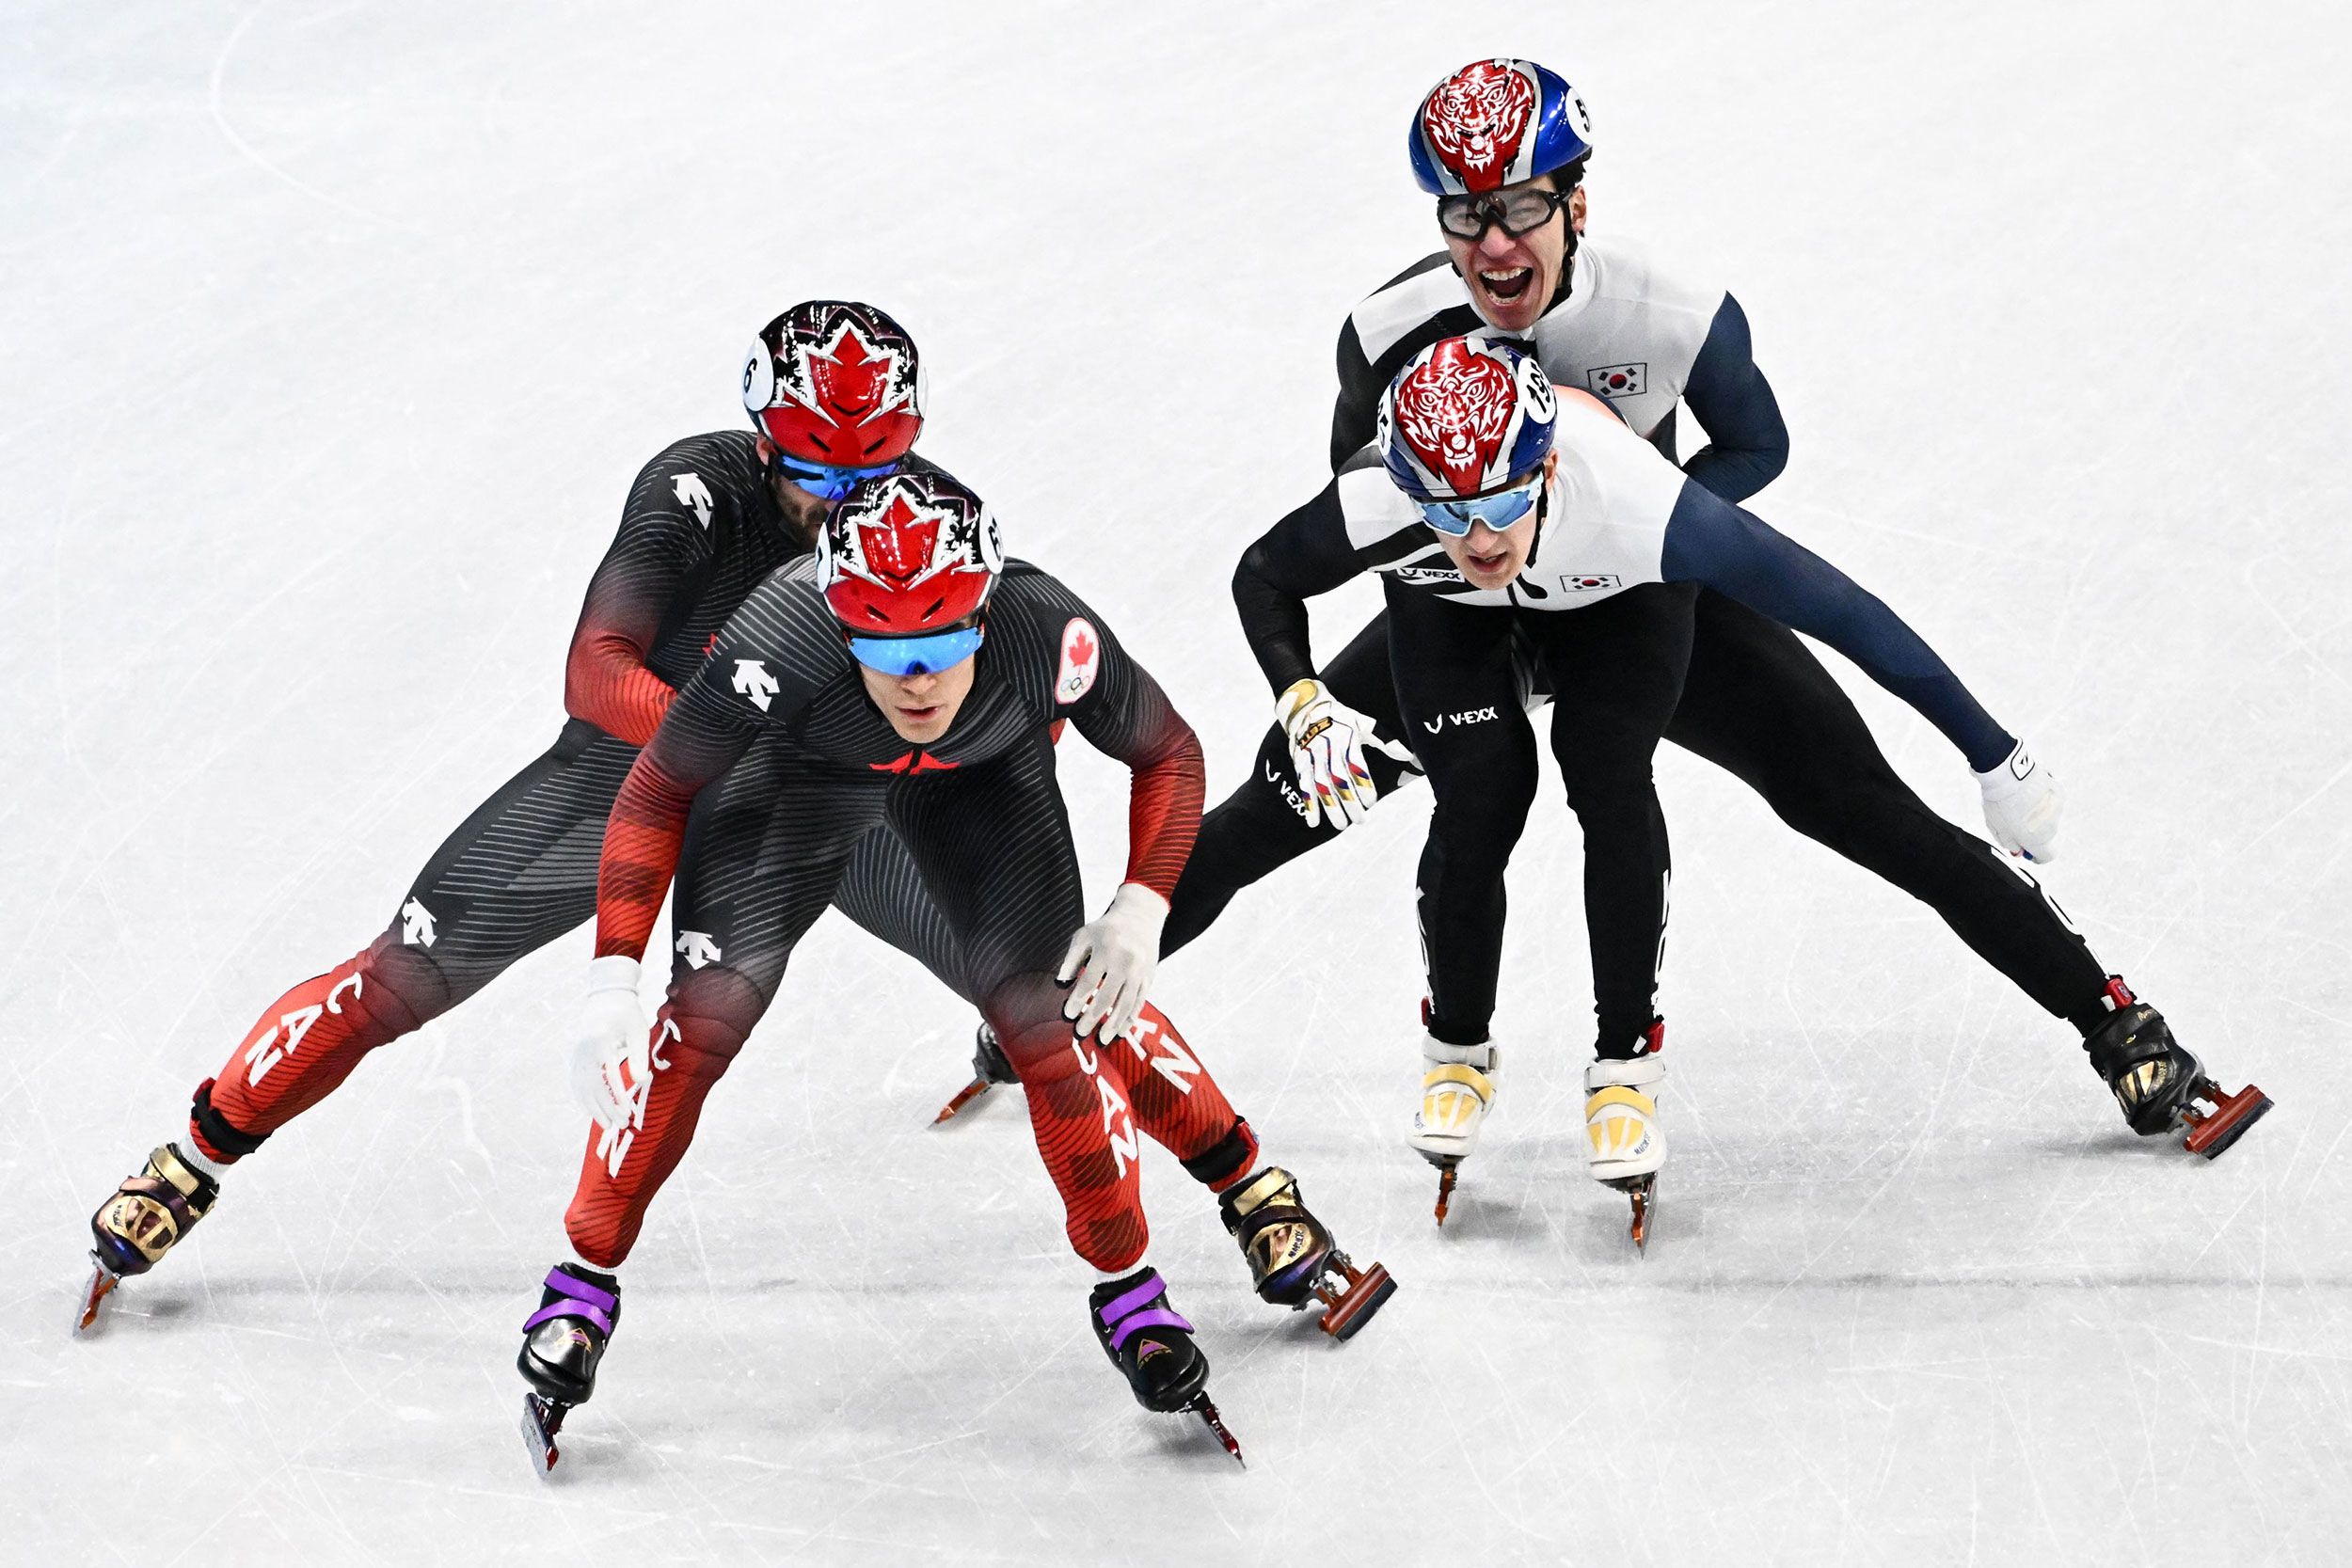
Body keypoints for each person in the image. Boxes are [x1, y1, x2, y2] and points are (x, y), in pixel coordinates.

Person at [1237, 331, 2271, 1244]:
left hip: (1630, 607)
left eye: (1505, 500)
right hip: (1455, 631)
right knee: (1287, 801)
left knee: (1859, 808)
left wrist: (1991, 751)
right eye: (1447, 510)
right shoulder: (1389, 466)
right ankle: (1127, 977)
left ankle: (2114, 1017)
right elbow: (1271, 570)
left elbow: (1845, 612)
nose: (1482, 534)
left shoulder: (1648, 498)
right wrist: (1298, 704)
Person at [78, 301, 972, 1330]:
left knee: (1026, 963)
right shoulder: (697, 489)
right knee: (394, 977)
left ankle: (1165, 1141)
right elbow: (593, 674)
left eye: (866, 474)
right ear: (766, 438)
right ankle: (195, 1156)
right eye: (815, 476)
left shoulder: (924, 518)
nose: (841, 505)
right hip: (624, 772)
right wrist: (723, 729)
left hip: (798, 798)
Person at [515, 468, 1391, 1474]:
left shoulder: (1040, 626)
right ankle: (579, 1288)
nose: (915, 681)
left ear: (981, 615)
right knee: (699, 1016)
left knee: (1053, 1015)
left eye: (937, 648)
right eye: (884, 653)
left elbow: (1171, 753)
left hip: (977, 791)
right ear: (840, 624)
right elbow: (659, 785)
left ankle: (1153, 1275)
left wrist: (1142, 904)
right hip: (797, 794)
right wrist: (610, 977)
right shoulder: (780, 636)